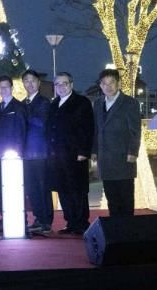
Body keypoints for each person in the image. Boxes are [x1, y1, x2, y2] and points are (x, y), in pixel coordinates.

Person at [46, 72, 94, 235]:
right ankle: (70, 222)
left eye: (64, 83)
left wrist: (84, 151)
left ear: (71, 85)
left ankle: (81, 222)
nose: (61, 87)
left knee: (77, 190)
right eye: (57, 84)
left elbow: (88, 128)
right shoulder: (54, 104)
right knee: (63, 189)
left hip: (75, 155)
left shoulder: (81, 102)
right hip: (57, 156)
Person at [91, 69, 141, 217]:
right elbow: (95, 129)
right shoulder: (98, 103)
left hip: (123, 157)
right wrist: (94, 151)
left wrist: (133, 152)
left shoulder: (130, 103)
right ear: (100, 86)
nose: (108, 86)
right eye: (104, 83)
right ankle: (115, 227)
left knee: (125, 198)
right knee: (111, 198)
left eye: (111, 82)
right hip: (105, 159)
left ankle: (127, 227)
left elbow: (135, 130)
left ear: (118, 83)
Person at [21, 69, 53, 234]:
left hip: (40, 152)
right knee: (31, 188)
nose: (30, 84)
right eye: (26, 81)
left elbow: (42, 123)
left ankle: (46, 221)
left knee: (42, 187)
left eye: (33, 80)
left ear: (39, 83)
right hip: (25, 153)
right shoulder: (22, 103)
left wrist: (24, 116)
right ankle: (38, 218)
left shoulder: (44, 102)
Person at [0, 75, 27, 232]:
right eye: (1, 87)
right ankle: (5, 218)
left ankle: (20, 219)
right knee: (2, 188)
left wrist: (18, 153)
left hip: (14, 157)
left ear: (12, 88)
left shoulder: (19, 107)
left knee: (15, 189)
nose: (3, 90)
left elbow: (21, 131)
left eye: (6, 87)